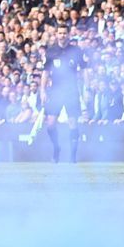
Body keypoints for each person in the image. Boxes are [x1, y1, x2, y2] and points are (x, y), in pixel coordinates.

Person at [41, 31, 86, 163]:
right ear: (57, 35)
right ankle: (56, 148)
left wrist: (86, 88)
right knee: (50, 124)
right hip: (55, 91)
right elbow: (46, 72)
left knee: (73, 123)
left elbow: (83, 70)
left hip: (71, 91)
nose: (62, 35)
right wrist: (42, 90)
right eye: (60, 33)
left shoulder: (76, 50)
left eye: (64, 33)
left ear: (68, 36)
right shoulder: (51, 51)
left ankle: (73, 156)